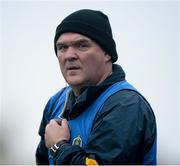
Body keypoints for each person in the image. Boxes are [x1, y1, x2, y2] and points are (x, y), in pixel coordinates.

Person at [36, 9, 157, 165]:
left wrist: (58, 147)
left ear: (107, 53)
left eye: (82, 45)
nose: (69, 55)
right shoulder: (56, 102)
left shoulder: (125, 105)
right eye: (62, 48)